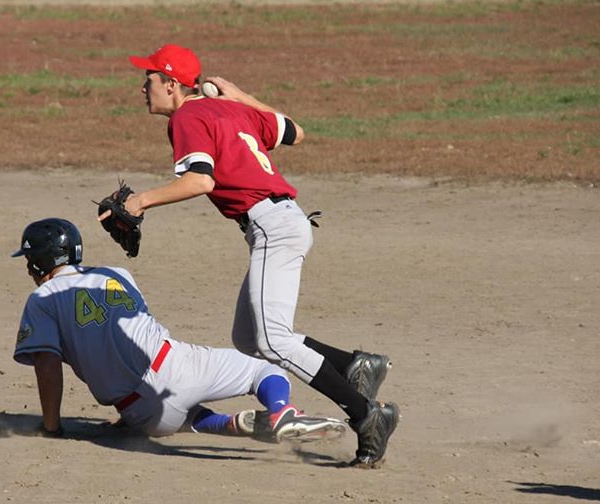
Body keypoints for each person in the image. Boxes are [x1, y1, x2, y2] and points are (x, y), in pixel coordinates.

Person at [111, 44, 399, 467]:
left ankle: (366, 415)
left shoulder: (190, 117)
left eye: (149, 78)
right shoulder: (230, 111)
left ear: (172, 84)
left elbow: (200, 182)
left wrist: (140, 203)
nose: (142, 87)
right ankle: (356, 365)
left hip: (272, 227)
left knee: (271, 339)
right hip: (284, 222)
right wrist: (240, 95)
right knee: (249, 339)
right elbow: (295, 131)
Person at [11, 217, 347, 445]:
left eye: (30, 259)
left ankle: (227, 424)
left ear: (41, 260)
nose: (28, 266)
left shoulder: (41, 299)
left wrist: (51, 427)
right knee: (265, 367)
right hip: (173, 366)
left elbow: (47, 364)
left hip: (140, 413)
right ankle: (280, 411)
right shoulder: (118, 274)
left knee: (185, 416)